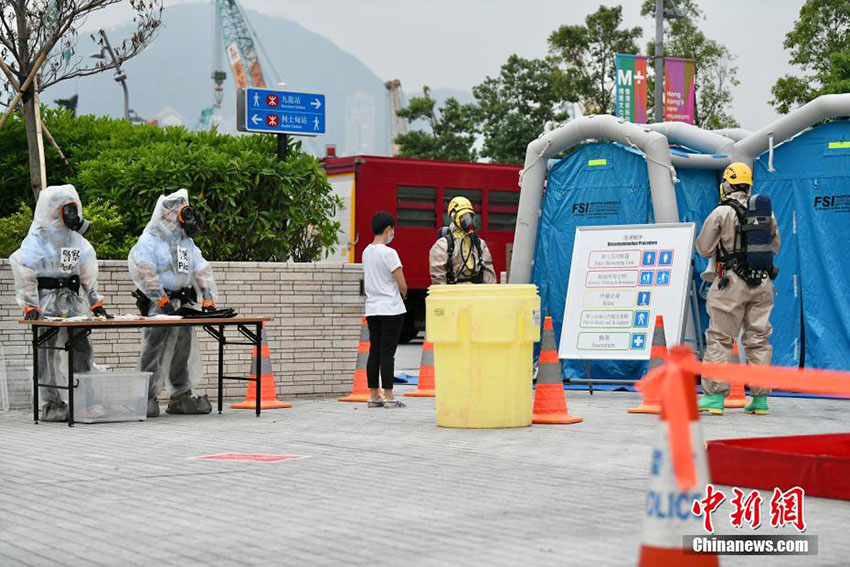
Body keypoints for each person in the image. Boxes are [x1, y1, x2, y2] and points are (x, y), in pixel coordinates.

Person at [10, 184, 110, 422]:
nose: (69, 214)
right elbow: (25, 271)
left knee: (82, 351)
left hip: (73, 302)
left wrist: (95, 302)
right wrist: (30, 305)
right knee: (48, 354)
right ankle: (51, 403)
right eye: (65, 209)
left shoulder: (76, 240)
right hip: (46, 302)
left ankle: (84, 400)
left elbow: (88, 271)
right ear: (52, 210)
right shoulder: (38, 238)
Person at [696, 162, 780, 416]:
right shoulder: (767, 214)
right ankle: (760, 400)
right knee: (758, 338)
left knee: (720, 337)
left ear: (727, 184)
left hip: (731, 281)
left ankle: (714, 398)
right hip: (762, 281)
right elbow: (774, 246)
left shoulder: (721, 213)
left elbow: (704, 248)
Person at [128, 189, 217, 417]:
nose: (184, 218)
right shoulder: (151, 239)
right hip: (161, 304)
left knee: (182, 349)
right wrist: (161, 298)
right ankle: (145, 397)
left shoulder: (185, 242)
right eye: (180, 212)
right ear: (167, 214)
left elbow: (200, 267)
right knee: (153, 349)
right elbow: (144, 269)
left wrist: (207, 296)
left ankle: (181, 395)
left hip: (183, 304)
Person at [362, 211, 408, 408]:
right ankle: (389, 395)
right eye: (392, 230)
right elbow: (402, 283)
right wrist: (403, 294)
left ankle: (374, 395)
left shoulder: (366, 251)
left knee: (375, 352)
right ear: (388, 229)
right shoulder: (389, 253)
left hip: (373, 308)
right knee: (388, 353)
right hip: (391, 308)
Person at [429, 196, 496, 285]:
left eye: (469, 216)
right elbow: (438, 276)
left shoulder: (479, 243)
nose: (467, 220)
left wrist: (489, 294)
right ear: (454, 217)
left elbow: (488, 273)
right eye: (464, 216)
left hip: (476, 294)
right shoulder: (443, 245)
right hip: (454, 294)